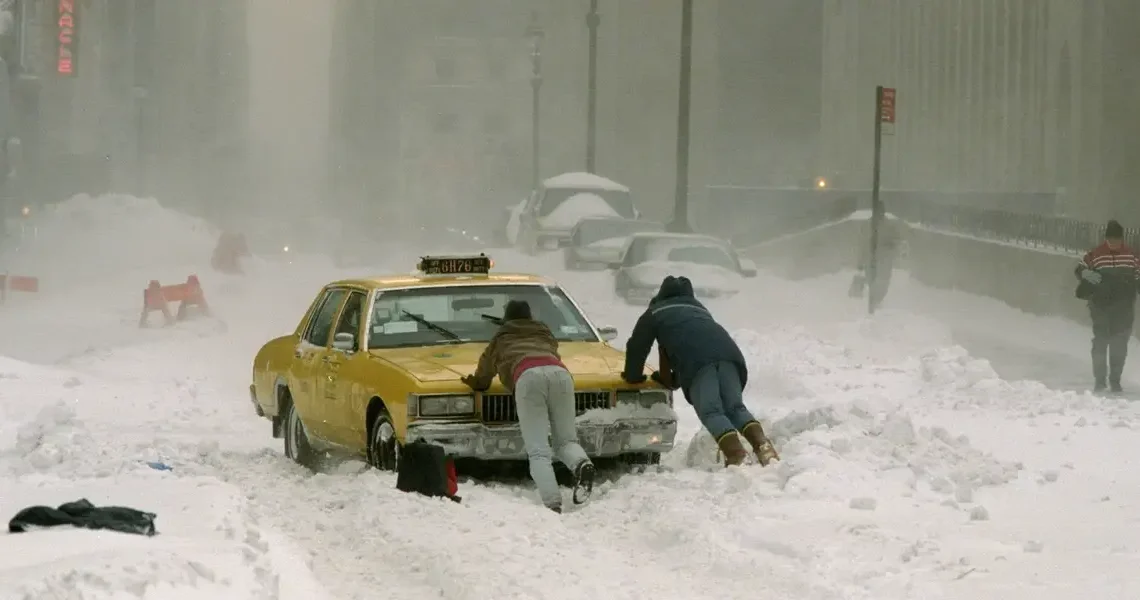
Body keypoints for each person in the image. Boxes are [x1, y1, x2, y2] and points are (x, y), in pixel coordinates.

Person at [620, 275, 779, 467]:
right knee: (735, 408)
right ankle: (764, 448)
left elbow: (638, 346)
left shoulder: (655, 312)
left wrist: (633, 376)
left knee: (711, 412)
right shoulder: (699, 310)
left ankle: (738, 455)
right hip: (731, 357)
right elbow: (692, 345)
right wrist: (672, 378)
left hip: (699, 364)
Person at [461, 299, 595, 513]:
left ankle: (552, 504)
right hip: (561, 374)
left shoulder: (502, 337)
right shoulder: (544, 333)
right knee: (566, 440)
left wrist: (476, 383)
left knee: (539, 450)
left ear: (506, 319)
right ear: (530, 317)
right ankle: (581, 464)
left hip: (528, 377)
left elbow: (484, 373)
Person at [1075, 220, 1139, 393]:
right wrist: (1085, 273)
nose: (1114, 244)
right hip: (1100, 306)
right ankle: (1100, 380)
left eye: (1117, 240)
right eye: (1111, 240)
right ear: (1106, 239)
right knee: (1101, 342)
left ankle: (1115, 380)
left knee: (1119, 344)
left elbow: (1138, 276)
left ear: (1122, 239)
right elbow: (1080, 267)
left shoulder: (1131, 255)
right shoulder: (1096, 254)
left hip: (1124, 308)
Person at [850, 214, 907, 311]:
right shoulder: (878, 225)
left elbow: (897, 241)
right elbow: (863, 243)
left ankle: (876, 299)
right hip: (876, 258)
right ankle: (875, 299)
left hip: (882, 259)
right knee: (876, 280)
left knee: (881, 280)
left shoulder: (886, 225)